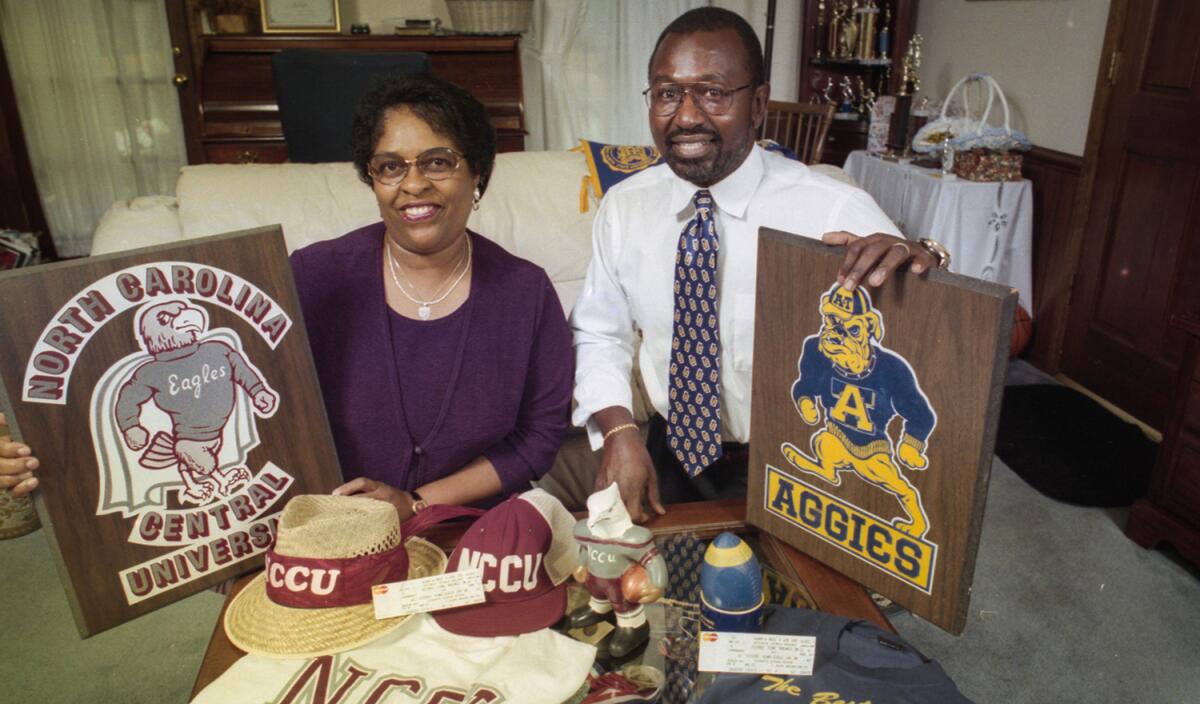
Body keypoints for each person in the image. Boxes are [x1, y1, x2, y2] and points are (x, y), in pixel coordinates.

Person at [0, 74, 573, 518]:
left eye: (439, 162)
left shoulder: (526, 293)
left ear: (479, 174)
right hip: (325, 521)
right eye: (389, 167)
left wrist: (417, 503)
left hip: (467, 525)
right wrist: (39, 444)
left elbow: (537, 439)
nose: (413, 184)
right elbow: (182, 381)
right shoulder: (311, 277)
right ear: (371, 179)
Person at [570, 7, 946, 523]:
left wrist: (923, 258)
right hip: (667, 455)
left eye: (713, 92)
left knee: (788, 599)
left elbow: (929, 320)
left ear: (759, 103)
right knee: (665, 598)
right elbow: (599, 332)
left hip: (800, 459)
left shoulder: (829, 207)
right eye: (666, 92)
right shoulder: (624, 207)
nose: (685, 116)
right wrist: (618, 431)